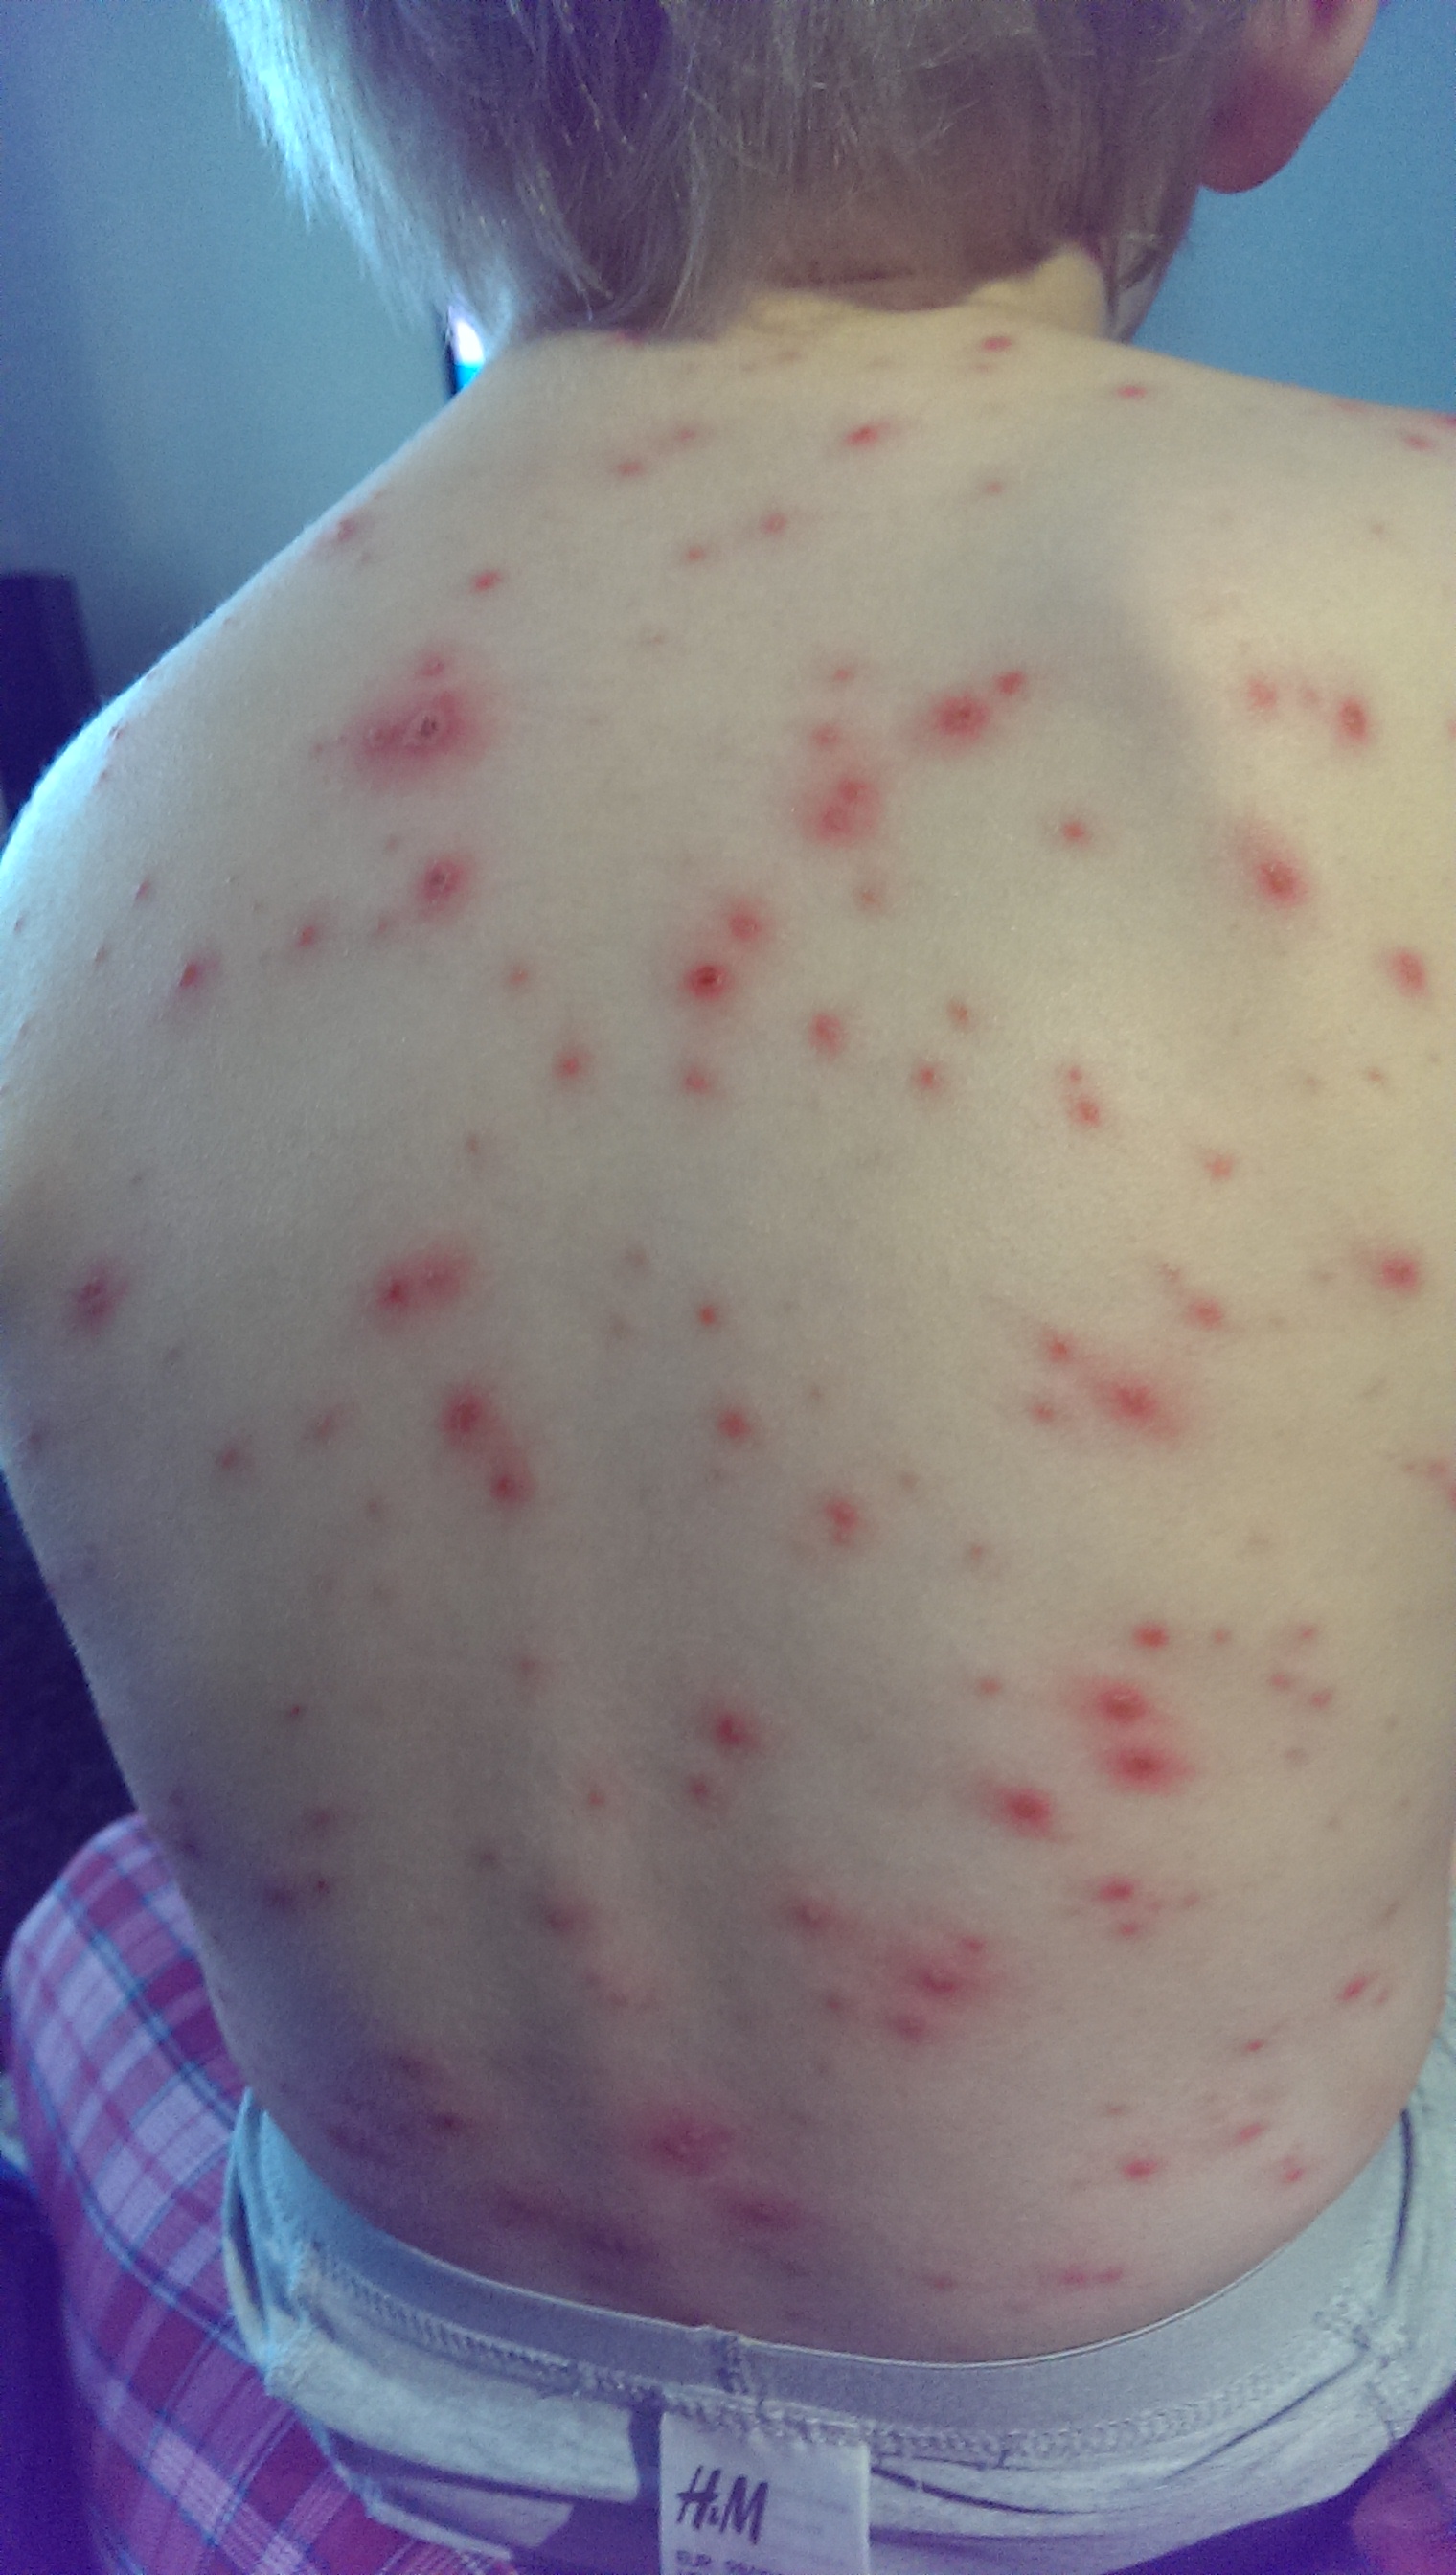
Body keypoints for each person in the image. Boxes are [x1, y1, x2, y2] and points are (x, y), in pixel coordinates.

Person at [0, 0, 1452, 2566]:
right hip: (1188, 2416)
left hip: (414, 2377)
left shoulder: (80, 846)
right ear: (1291, 37)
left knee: (101, 1930)